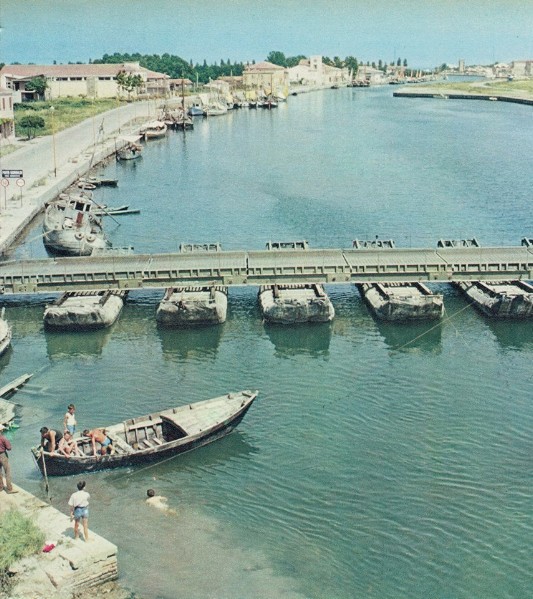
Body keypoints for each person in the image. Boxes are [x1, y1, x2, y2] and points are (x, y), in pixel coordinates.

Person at [0, 424, 18, 494]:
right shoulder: (3, 438)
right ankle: (9, 489)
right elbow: (9, 448)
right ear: (1, 430)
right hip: (2, 455)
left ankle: (0, 487)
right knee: (7, 472)